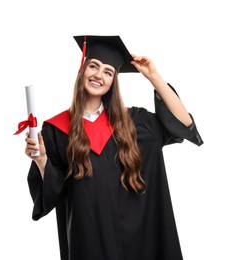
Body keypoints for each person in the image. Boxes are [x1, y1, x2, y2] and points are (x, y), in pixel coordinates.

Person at [24, 35, 203, 260]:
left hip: (136, 241)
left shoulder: (135, 122)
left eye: (108, 71)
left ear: (113, 82)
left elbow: (182, 123)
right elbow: (55, 191)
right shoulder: (57, 130)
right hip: (87, 240)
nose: (99, 75)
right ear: (82, 70)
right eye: (94, 66)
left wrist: (153, 77)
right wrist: (41, 161)